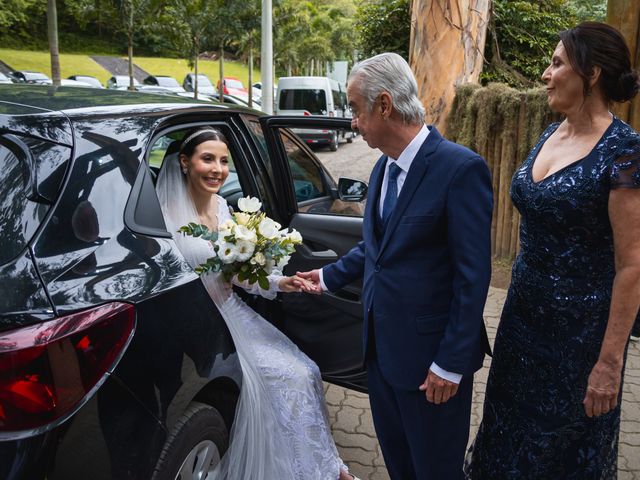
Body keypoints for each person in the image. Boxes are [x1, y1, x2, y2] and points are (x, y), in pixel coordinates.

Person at [298, 52, 494, 479]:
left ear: (383, 105)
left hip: (431, 368)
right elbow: (379, 249)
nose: (351, 122)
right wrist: (328, 276)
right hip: (382, 356)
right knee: (400, 468)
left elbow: (473, 277)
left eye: (354, 108)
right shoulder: (384, 167)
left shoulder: (461, 170)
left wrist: (449, 363)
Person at [465, 22, 640, 479]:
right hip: (521, 324)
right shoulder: (549, 134)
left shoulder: (624, 153)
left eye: (557, 62)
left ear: (592, 72)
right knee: (503, 445)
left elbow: (632, 266)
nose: (545, 74)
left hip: (578, 346)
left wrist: (609, 364)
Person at [155, 127, 359, 480]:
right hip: (199, 321)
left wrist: (282, 282)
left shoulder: (221, 208)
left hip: (232, 311)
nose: (218, 169)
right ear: (185, 163)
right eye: (207, 159)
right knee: (282, 379)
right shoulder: (163, 218)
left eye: (223, 161)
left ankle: (320, 466)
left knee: (304, 371)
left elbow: (234, 272)